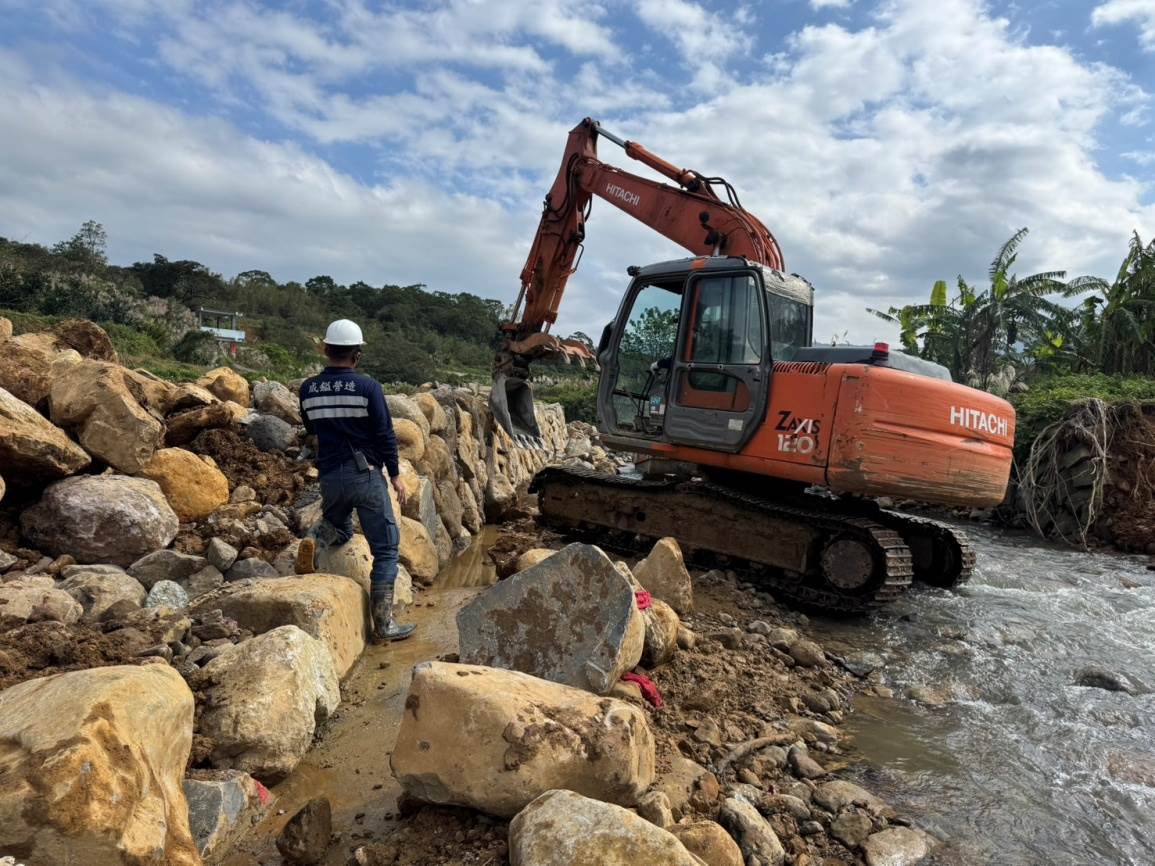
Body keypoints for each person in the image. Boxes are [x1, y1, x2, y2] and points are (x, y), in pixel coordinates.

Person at [295, 319, 415, 642]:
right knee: (387, 548)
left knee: (340, 525)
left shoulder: (308, 389)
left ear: (326, 349)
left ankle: (315, 541)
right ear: (356, 355)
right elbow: (385, 434)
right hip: (366, 476)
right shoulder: (368, 388)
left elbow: (311, 429)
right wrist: (395, 475)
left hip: (331, 475)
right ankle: (384, 624)